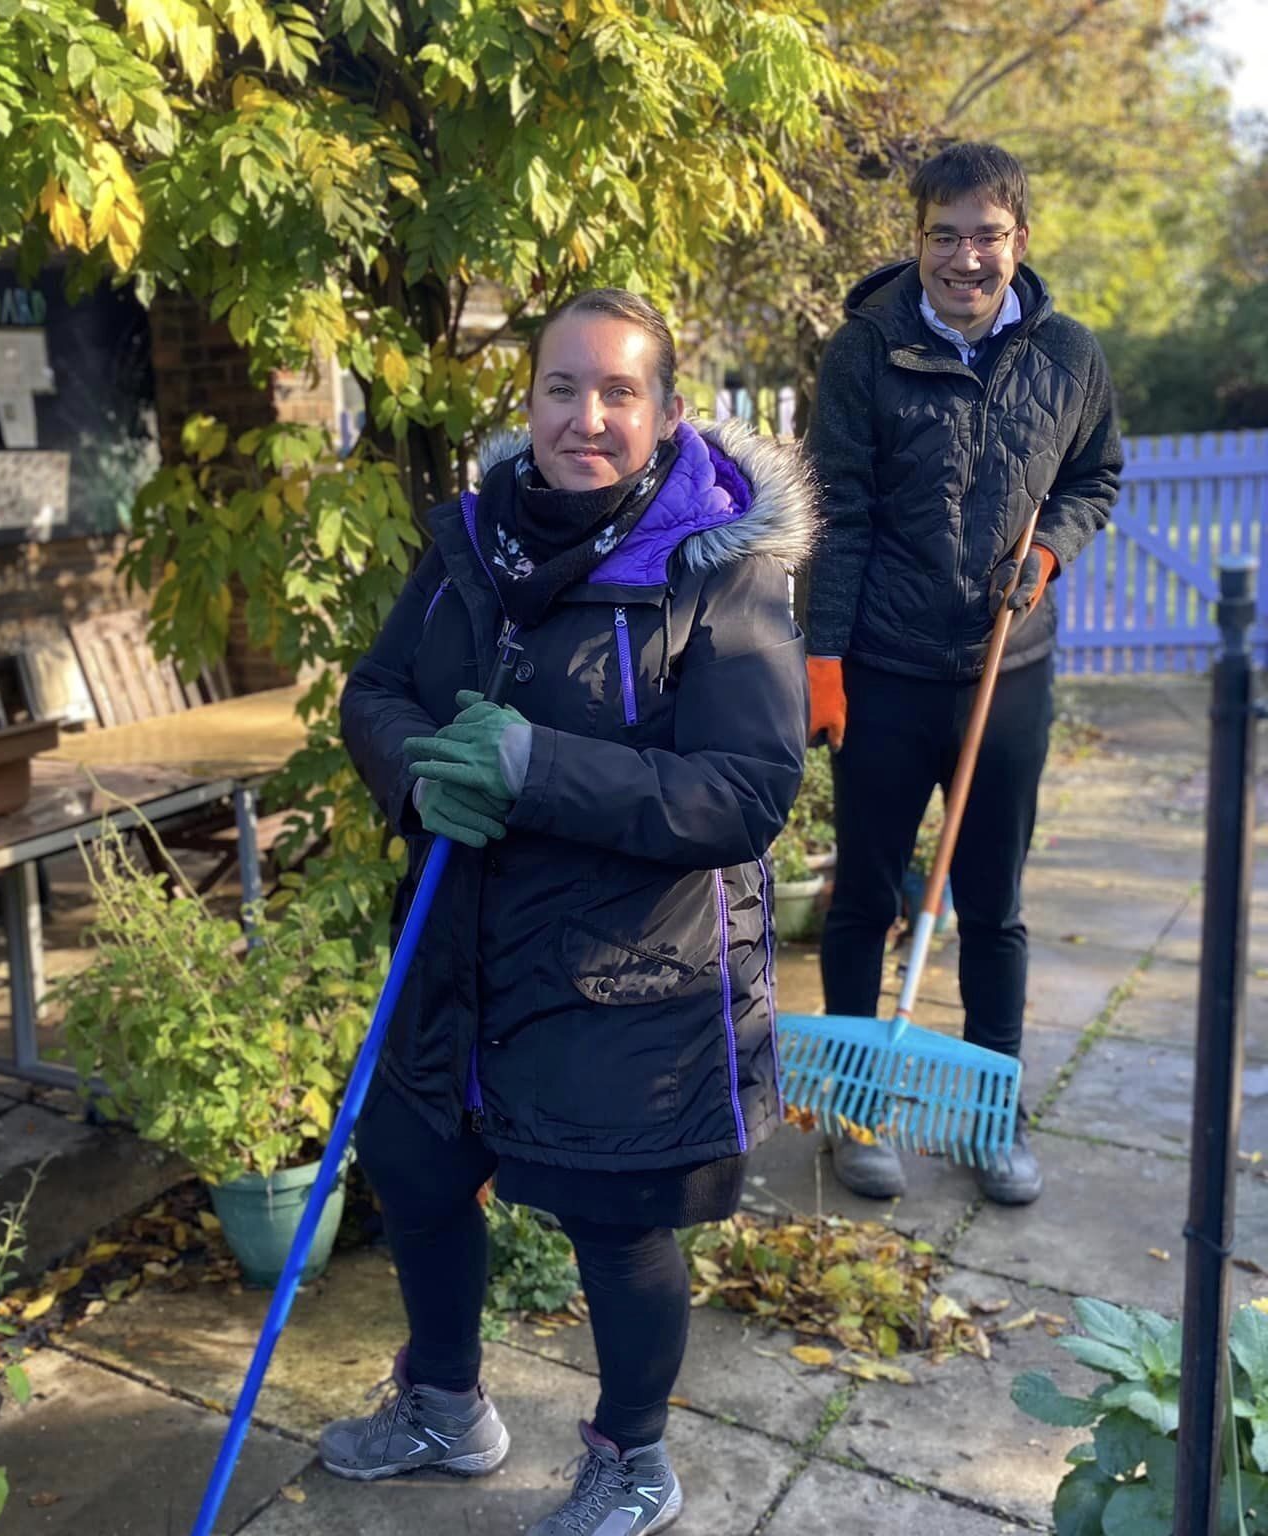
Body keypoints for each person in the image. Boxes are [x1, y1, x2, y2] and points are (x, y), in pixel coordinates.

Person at [328, 288, 815, 1534]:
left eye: (617, 392)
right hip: (461, 949)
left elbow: (748, 790)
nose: (585, 417)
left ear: (662, 412)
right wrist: (420, 771)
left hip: (627, 976)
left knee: (616, 1221)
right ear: (528, 399)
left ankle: (633, 1460)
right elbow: (377, 689)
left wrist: (539, 768)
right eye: (561, 388)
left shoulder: (721, 572)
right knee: (415, 1168)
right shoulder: (472, 543)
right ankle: (446, 1406)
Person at [804, 141, 1123, 1206]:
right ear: (917, 241)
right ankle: (858, 1111)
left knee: (994, 903)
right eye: (945, 236)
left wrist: (1048, 550)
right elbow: (838, 515)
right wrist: (823, 659)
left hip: (1007, 669)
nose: (966, 258)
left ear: (1017, 239)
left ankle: (995, 1115)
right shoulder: (864, 353)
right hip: (888, 672)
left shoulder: (1070, 357)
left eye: (986, 236)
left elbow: (1094, 476)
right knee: (861, 900)